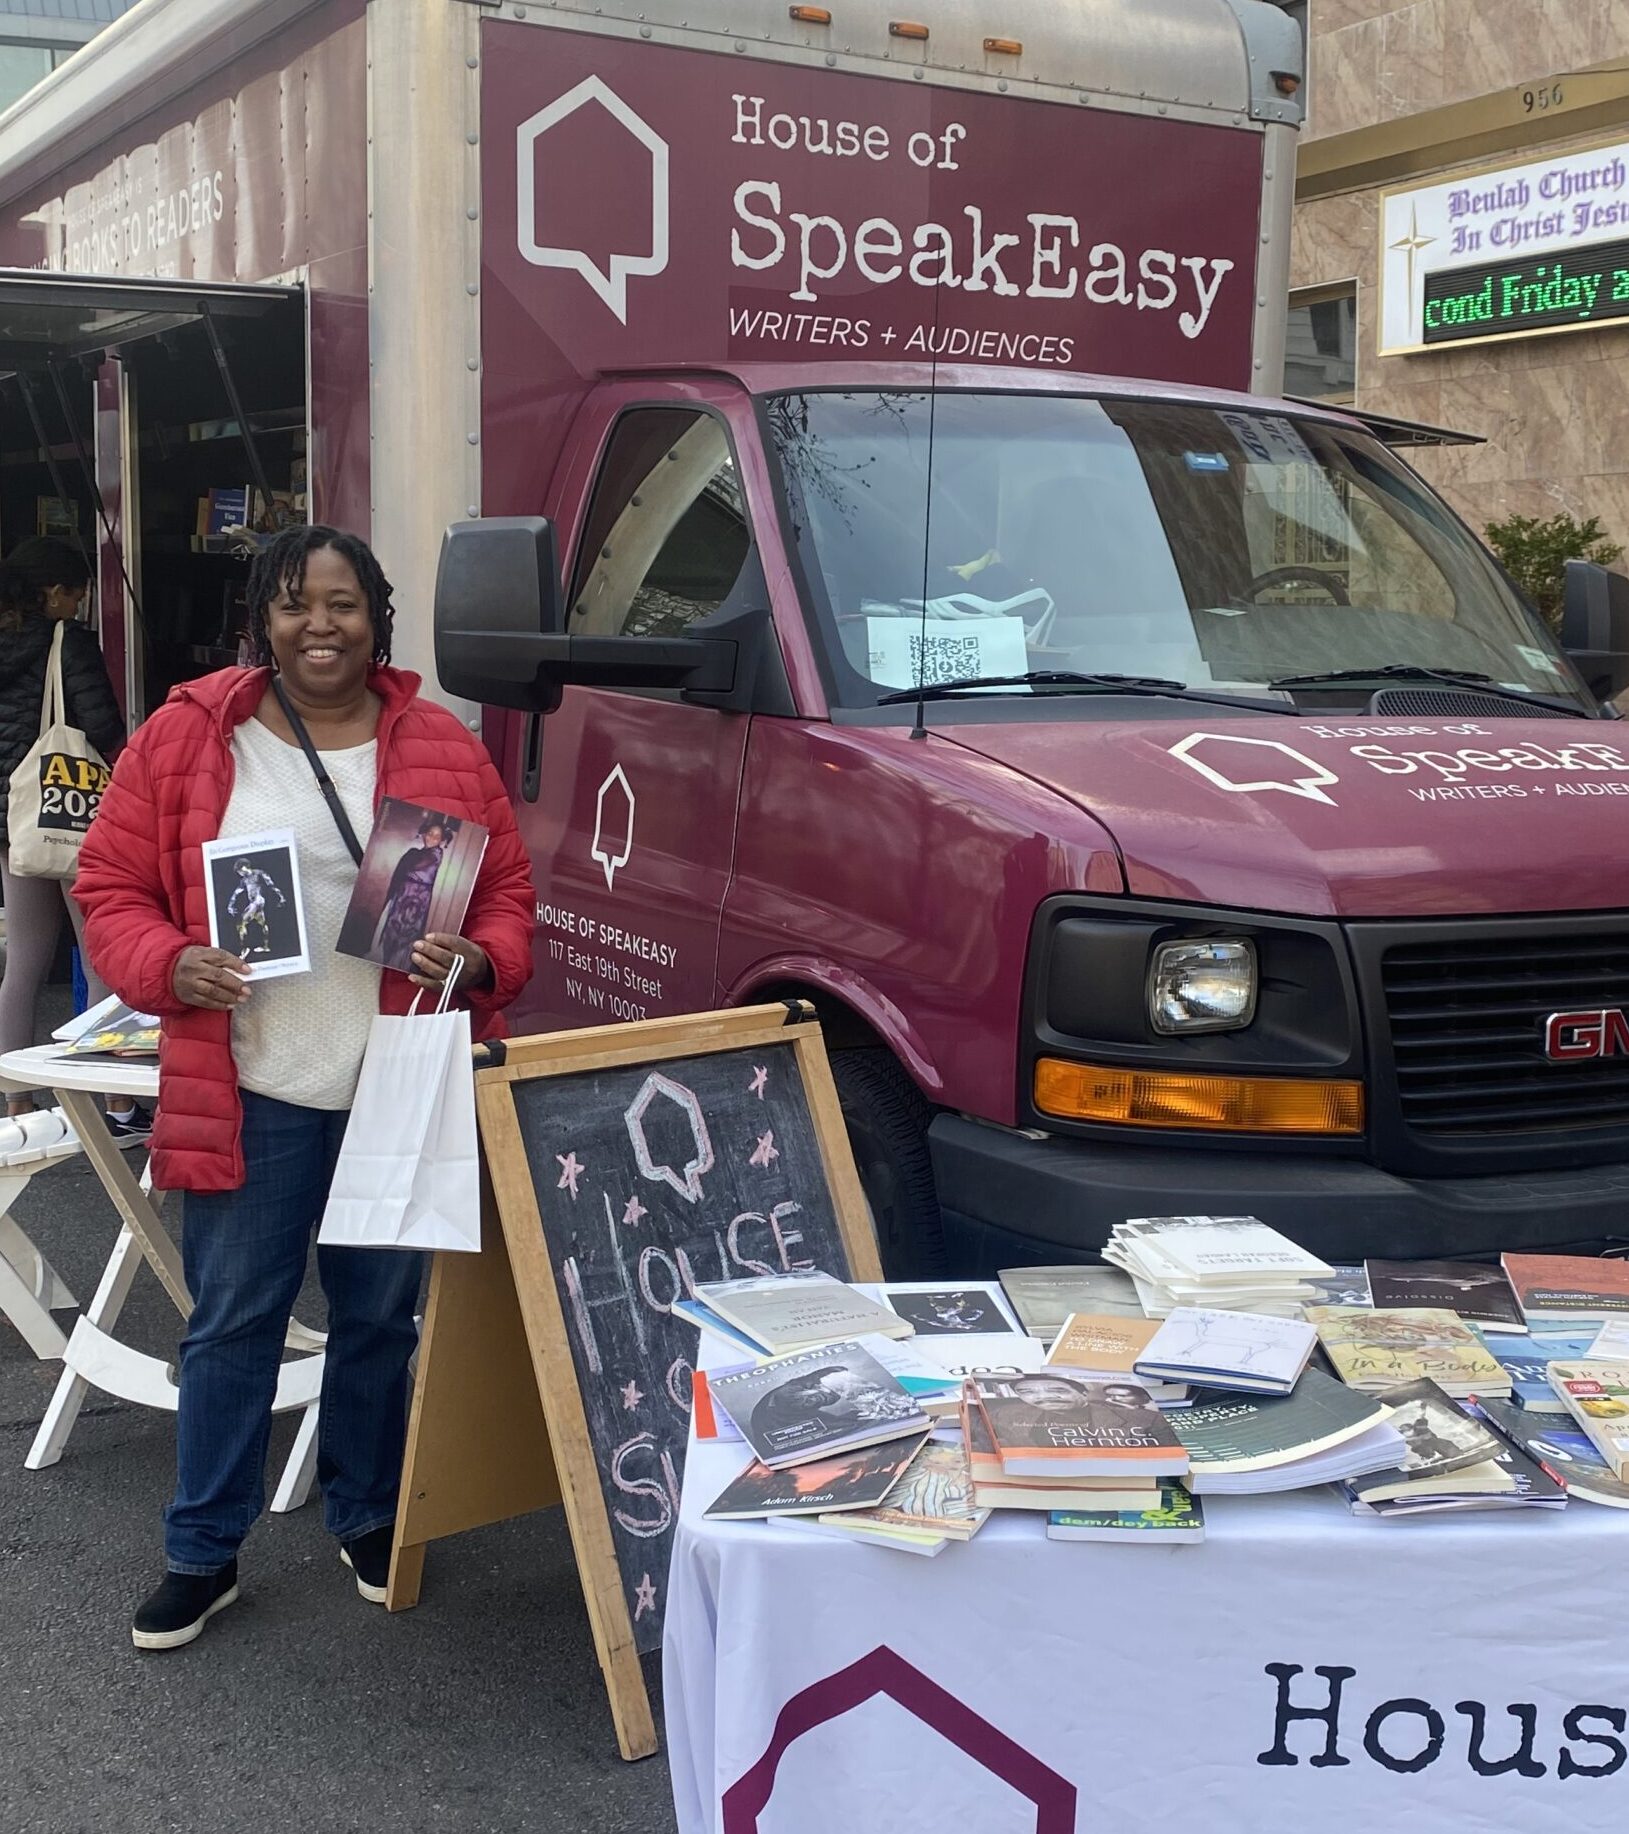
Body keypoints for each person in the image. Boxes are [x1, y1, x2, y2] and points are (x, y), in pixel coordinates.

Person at [74, 525, 536, 1652]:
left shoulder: (438, 744)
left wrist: (478, 961)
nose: (317, 625)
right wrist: (166, 963)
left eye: (340, 603)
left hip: (395, 1080)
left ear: (377, 616)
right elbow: (109, 885)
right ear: (260, 618)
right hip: (252, 1078)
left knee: (378, 1319)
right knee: (235, 1320)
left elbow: (509, 896)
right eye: (292, 604)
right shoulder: (191, 736)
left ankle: (370, 1515)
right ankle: (203, 1548)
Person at [0, 537, 148, 1147]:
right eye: (78, 593)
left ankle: (15, 1109)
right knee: (99, 949)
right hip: (70, 810)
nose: (81, 604)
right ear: (54, 592)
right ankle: (116, 1100)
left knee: (25, 957)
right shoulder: (68, 643)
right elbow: (103, 725)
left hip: (12, 816)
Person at [374, 812, 454, 969]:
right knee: (392, 926)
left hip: (419, 899)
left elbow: (419, 866)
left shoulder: (437, 855)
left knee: (409, 931)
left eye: (437, 836)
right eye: (430, 833)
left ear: (443, 840)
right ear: (424, 834)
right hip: (402, 894)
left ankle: (397, 963)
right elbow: (402, 871)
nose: (432, 837)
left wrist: (410, 859)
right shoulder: (415, 853)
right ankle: (385, 957)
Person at [227, 859, 286, 959]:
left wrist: (281, 897)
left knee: (240, 923)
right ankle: (266, 946)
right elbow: (236, 893)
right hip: (254, 903)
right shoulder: (244, 880)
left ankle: (244, 950)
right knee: (262, 923)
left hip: (258, 901)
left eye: (239, 872)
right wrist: (230, 905)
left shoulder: (259, 873)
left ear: (243, 868)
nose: (239, 874)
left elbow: (271, 885)